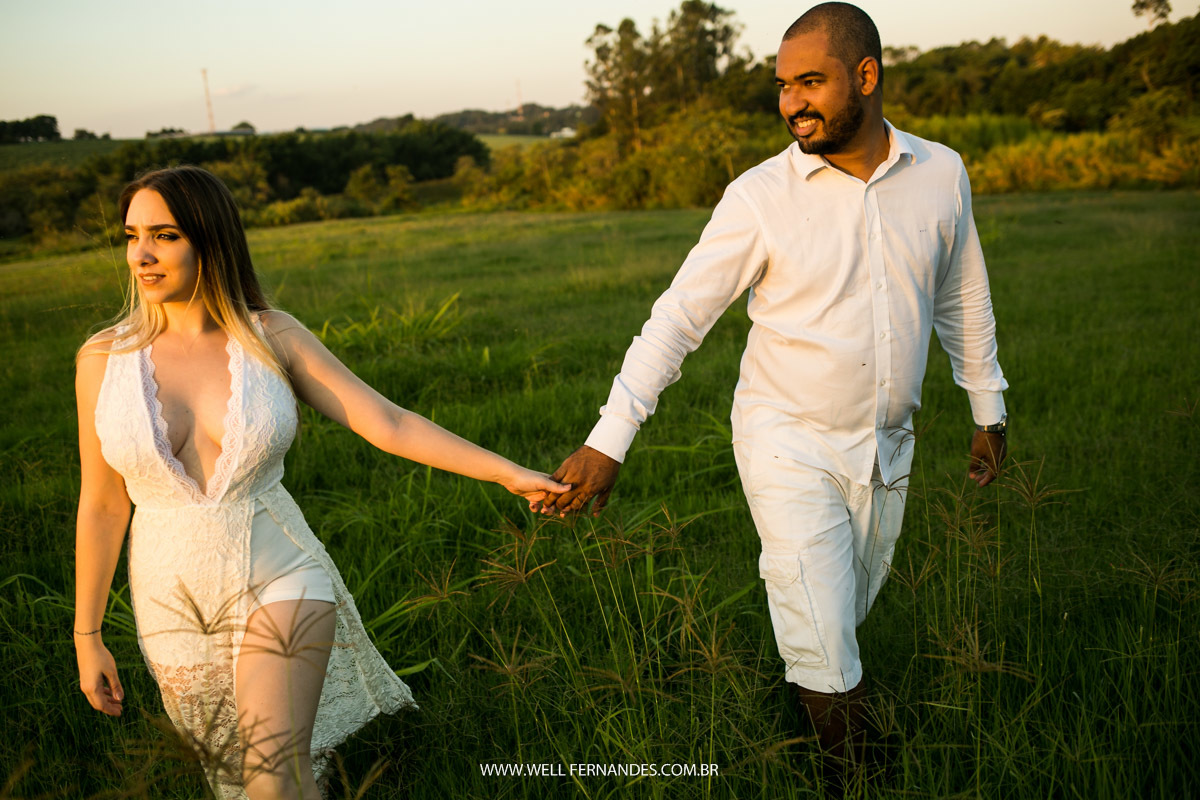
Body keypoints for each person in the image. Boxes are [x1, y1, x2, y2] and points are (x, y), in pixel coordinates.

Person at [539, 0, 1008, 779]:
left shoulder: (941, 173)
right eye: (783, 85)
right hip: (786, 439)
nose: (791, 102)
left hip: (889, 444)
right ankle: (860, 776)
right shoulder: (760, 196)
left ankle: (808, 712)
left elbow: (963, 295)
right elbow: (677, 319)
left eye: (810, 82)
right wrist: (609, 439)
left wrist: (988, 409)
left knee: (839, 616)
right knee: (820, 627)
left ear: (867, 75)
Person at [72, 165, 567, 800]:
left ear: (211, 239)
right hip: (172, 602)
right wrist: (87, 636)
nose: (140, 254)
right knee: (243, 779)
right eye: (132, 235)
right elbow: (102, 504)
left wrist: (508, 473)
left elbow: (387, 421)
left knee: (272, 775)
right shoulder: (103, 359)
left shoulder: (271, 337)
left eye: (164, 236)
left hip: (281, 577)